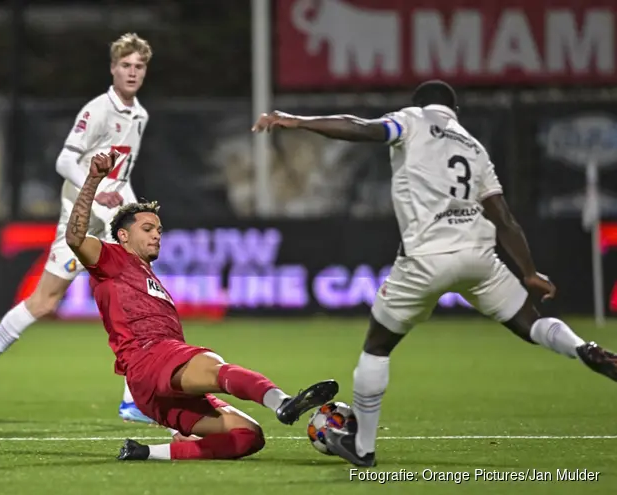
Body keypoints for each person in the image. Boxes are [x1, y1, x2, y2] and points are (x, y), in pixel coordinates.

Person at [251, 80, 617, 467]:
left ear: (420, 104)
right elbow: (504, 218)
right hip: (479, 255)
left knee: (377, 347)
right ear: (453, 109)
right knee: (531, 324)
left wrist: (298, 121)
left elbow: (359, 127)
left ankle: (363, 446)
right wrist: (529, 272)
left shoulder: (412, 120)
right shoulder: (474, 148)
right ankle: (585, 348)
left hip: (426, 257)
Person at [64, 152, 340, 461]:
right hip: (150, 357)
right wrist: (93, 179)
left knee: (249, 436)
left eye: (158, 230)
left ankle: (145, 452)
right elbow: (75, 236)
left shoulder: (148, 277)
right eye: (147, 229)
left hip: (153, 392)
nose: (157, 234)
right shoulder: (111, 259)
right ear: (124, 235)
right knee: (213, 363)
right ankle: (282, 402)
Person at [0, 33, 154, 423]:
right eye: (125, 66)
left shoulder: (140, 116)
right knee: (44, 302)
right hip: (80, 219)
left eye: (139, 67)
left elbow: (122, 174)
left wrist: (132, 210)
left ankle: (132, 400)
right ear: (113, 68)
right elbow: (65, 161)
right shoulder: (97, 110)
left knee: (137, 300)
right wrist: (97, 198)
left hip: (111, 223)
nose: (132, 73)